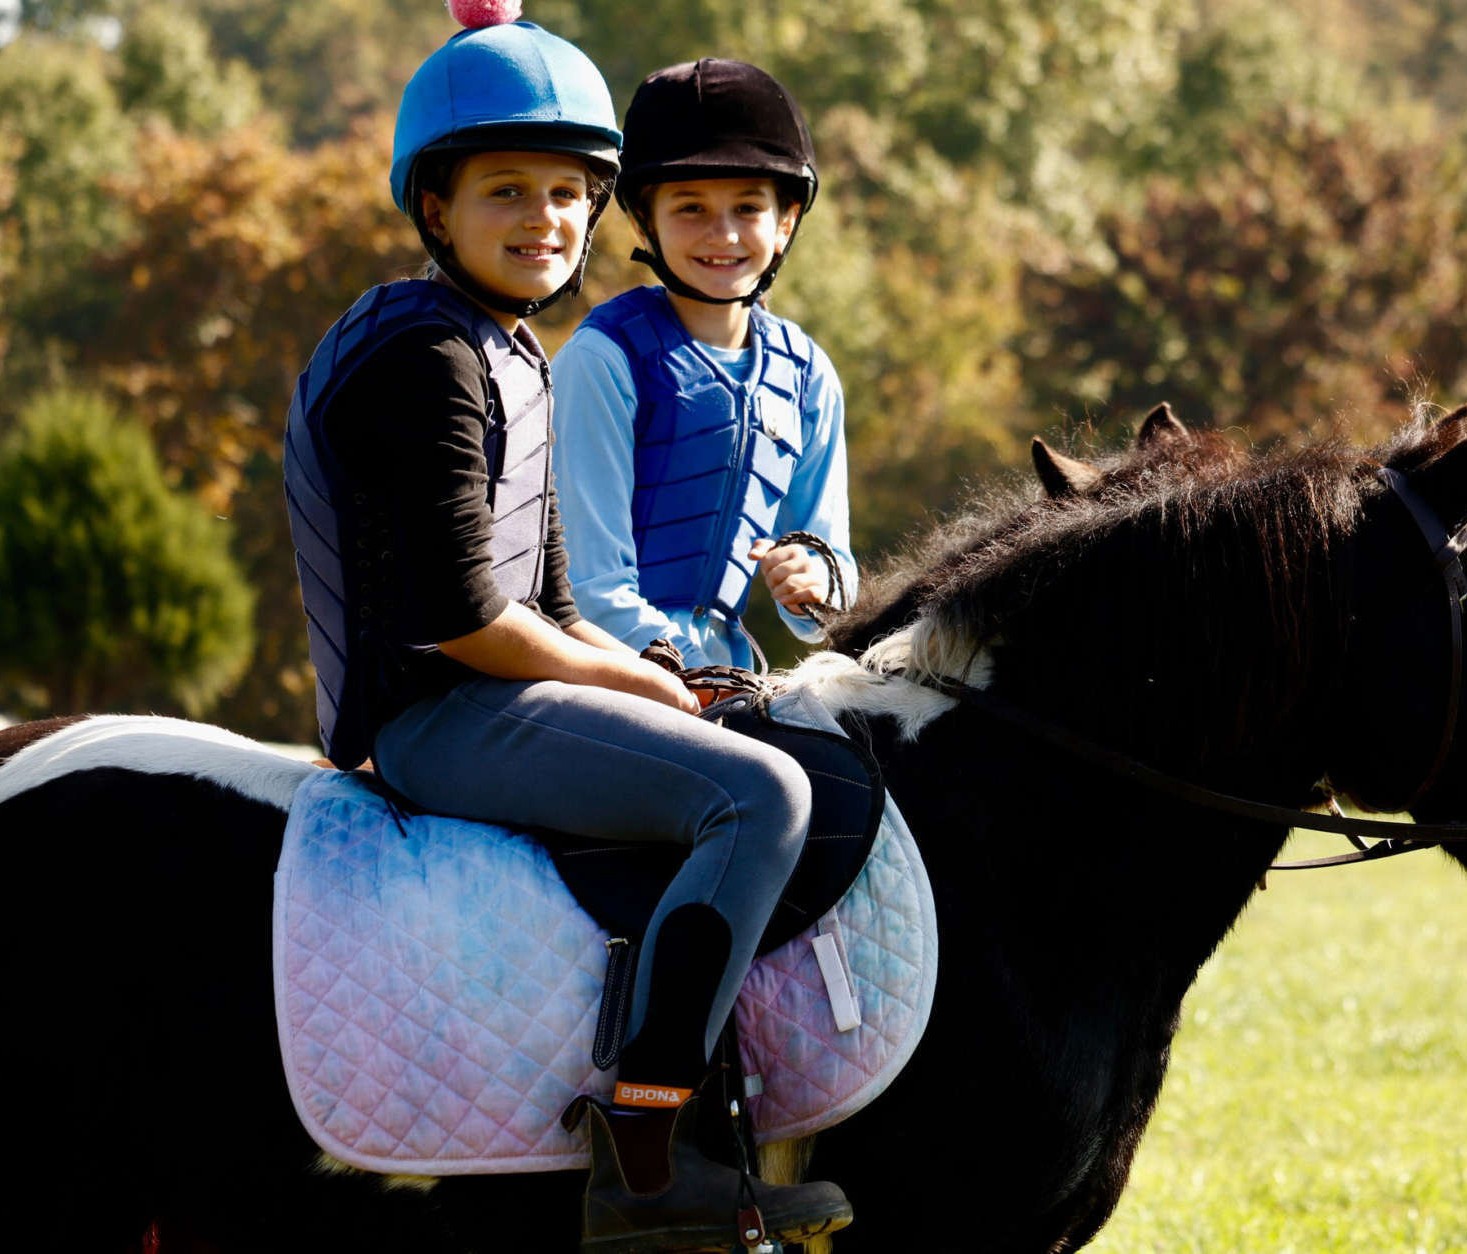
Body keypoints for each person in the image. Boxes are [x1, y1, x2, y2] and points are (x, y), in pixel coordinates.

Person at [280, 10, 851, 1251]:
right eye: (506, 191)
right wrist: (648, 692)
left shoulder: (514, 353)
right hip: (434, 716)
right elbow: (470, 624)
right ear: (435, 208)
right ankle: (645, 1149)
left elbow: (547, 607)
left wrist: (654, 676)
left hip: (495, 689)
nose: (542, 218)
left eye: (563, 193)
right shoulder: (424, 353)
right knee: (758, 801)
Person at [551, 58, 858, 671]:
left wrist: (817, 579)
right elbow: (590, 593)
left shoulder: (808, 374)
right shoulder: (602, 360)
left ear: (786, 221)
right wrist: (703, 678)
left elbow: (834, 576)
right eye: (690, 208)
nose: (722, 234)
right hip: (604, 669)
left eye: (748, 208)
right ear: (645, 219)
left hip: (729, 673)